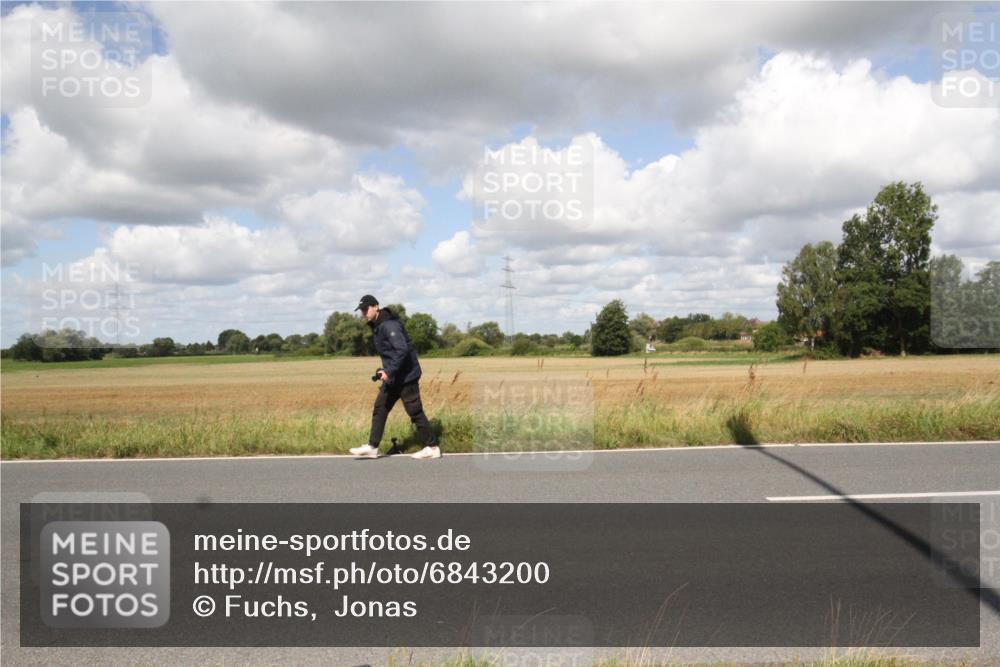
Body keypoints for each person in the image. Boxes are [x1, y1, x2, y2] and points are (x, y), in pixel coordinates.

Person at [348, 295, 442, 460]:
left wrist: (389, 371)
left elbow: (402, 350)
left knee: (415, 412)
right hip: (394, 377)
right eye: (362, 310)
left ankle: (433, 447)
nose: (364, 313)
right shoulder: (378, 326)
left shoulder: (389, 325)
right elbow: (391, 354)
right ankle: (372, 447)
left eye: (366, 309)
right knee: (380, 407)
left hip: (407, 377)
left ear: (376, 306)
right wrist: (383, 370)